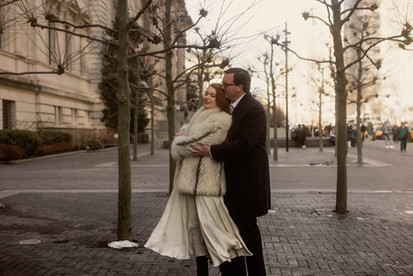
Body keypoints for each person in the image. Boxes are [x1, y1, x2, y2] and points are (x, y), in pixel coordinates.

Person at [145, 83, 251, 275]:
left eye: (212, 95)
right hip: (188, 184)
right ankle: (202, 271)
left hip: (207, 184)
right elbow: (190, 145)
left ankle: (230, 269)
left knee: (214, 228)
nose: (207, 98)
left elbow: (191, 147)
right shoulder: (199, 115)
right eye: (206, 94)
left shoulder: (223, 119)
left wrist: (179, 140)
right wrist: (185, 136)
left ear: (220, 98)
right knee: (194, 228)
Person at [191, 68, 271, 276]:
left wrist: (210, 151)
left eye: (226, 84)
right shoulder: (230, 108)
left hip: (246, 185)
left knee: (248, 234)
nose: (223, 87)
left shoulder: (253, 109)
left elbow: (245, 144)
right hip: (231, 185)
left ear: (239, 87)